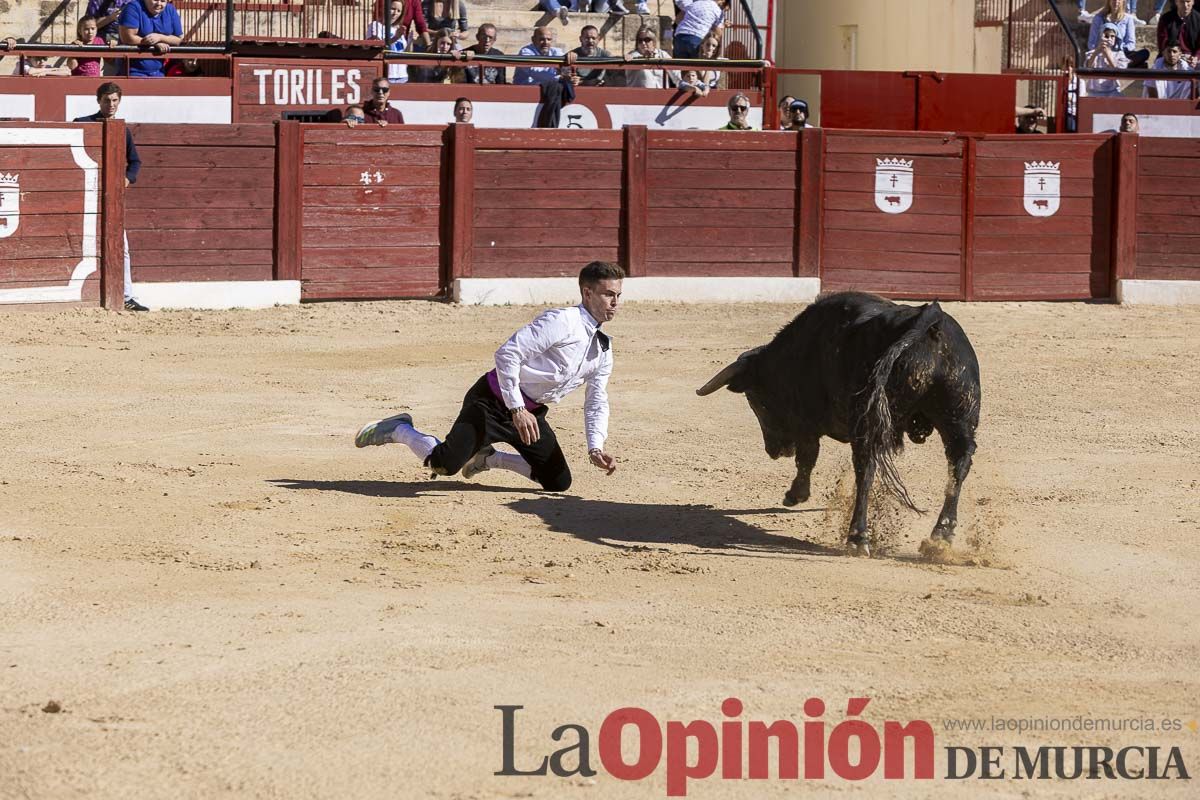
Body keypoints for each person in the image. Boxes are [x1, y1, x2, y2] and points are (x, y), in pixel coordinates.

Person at [354, 261, 624, 492]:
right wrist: (516, 408)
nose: (615, 303)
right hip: (491, 402)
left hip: (529, 415)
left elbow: (596, 400)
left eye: (618, 296)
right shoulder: (562, 321)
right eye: (608, 295)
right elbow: (508, 354)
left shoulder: (602, 347)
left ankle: (488, 459)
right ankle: (400, 429)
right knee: (444, 464)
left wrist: (595, 448)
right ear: (587, 293)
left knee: (558, 482)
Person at [73, 82, 147, 311]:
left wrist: (126, 179)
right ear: (98, 101)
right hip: (84, 198)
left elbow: (135, 162)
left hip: (111, 200)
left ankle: (125, 296)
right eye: (107, 100)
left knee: (121, 247)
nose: (111, 105)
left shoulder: (122, 130)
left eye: (115, 100)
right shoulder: (82, 124)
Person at [119, 0, 182, 78]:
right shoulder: (133, 7)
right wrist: (154, 43)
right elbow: (127, 38)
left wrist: (160, 37)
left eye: (163, 1)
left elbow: (178, 40)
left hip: (159, 71)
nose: (159, 4)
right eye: (155, 0)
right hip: (132, 70)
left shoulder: (170, 10)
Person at [1088, 0, 1151, 67]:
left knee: (1144, 53)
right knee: (1140, 65)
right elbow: (1091, 44)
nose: (1116, 2)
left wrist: (1118, 48)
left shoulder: (1128, 19)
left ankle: (1123, 65)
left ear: (1123, 2)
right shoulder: (1098, 18)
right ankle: (1123, 67)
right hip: (1102, 51)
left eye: (1119, 0)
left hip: (1122, 53)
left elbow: (1131, 44)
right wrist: (1102, 47)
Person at [367, 0, 410, 84]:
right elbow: (376, 47)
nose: (395, 13)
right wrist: (395, 37)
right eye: (393, 9)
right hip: (385, 73)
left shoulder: (398, 28)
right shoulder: (376, 26)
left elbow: (404, 51)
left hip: (402, 75)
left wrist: (410, 41)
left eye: (399, 11)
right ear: (385, 8)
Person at [1084, 22, 1131, 96]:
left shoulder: (1119, 54)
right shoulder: (1092, 53)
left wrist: (1107, 54)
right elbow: (1088, 67)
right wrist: (1097, 52)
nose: (1109, 39)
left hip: (1112, 92)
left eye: (1112, 36)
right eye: (1106, 36)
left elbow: (1118, 71)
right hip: (1094, 92)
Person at [1156, 0, 1200, 64]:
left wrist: (1196, 57)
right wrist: (1176, 55)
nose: (1185, 5)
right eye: (1182, 2)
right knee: (1158, 65)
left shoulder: (1198, 19)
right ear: (1176, 2)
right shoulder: (1166, 19)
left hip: (1192, 57)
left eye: (1188, 1)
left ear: (1193, 2)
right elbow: (1163, 43)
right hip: (1171, 55)